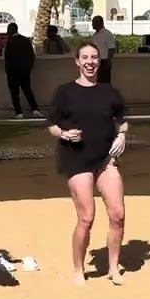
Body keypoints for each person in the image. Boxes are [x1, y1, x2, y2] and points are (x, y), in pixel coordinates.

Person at [47, 42, 129, 286]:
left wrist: (122, 135)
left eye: (94, 57)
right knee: (86, 217)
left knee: (118, 214)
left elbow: (123, 119)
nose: (90, 62)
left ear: (99, 61)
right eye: (85, 57)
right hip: (76, 158)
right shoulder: (65, 92)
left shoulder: (109, 91)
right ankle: (78, 269)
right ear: (77, 61)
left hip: (105, 159)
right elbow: (52, 125)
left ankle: (113, 267)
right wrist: (64, 134)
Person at [3, 22, 40, 118]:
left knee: (14, 93)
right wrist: (29, 67)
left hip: (13, 71)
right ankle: (35, 109)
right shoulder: (25, 40)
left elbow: (7, 58)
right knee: (27, 90)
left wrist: (7, 70)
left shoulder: (9, 42)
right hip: (24, 70)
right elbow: (32, 55)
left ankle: (19, 112)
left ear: (10, 30)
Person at [90, 15, 116, 84]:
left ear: (100, 23)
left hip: (104, 62)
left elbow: (111, 48)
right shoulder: (95, 35)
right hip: (96, 62)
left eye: (94, 22)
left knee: (104, 82)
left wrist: (108, 61)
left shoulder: (107, 34)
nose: (92, 24)